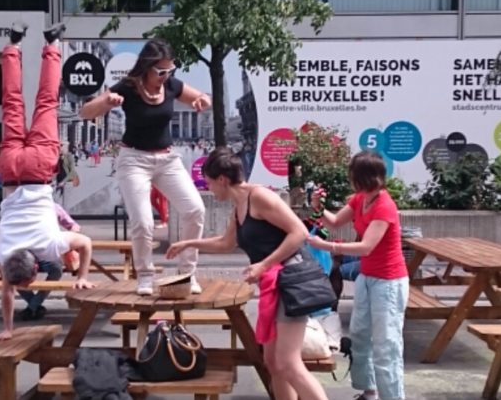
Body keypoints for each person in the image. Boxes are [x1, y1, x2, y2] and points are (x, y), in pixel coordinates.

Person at [166, 148, 329, 400]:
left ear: (222, 179)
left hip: (292, 280)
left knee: (288, 363)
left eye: (209, 183)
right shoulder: (238, 206)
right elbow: (226, 243)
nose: (209, 189)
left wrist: (263, 264)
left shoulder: (260, 197)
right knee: (272, 363)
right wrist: (188, 243)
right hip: (273, 284)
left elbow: (299, 232)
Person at [80, 39, 209, 295]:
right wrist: (106, 102)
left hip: (167, 160)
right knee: (143, 222)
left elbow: (203, 97)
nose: (165, 76)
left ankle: (187, 273)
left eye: (170, 70)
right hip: (134, 160)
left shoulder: (172, 85)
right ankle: (145, 276)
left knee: (195, 210)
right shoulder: (129, 86)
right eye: (160, 71)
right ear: (147, 67)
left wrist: (203, 100)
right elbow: (85, 112)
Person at [0, 21, 95, 342]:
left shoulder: (51, 246)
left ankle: (52, 44)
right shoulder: (5, 253)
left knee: (46, 101)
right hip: (11, 170)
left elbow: (86, 243)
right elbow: (7, 292)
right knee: (12, 102)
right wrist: (6, 329)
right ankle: (13, 44)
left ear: (36, 267)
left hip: (38, 171)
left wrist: (82, 276)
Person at [306, 151, 409, 400]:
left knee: (386, 344)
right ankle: (369, 390)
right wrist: (318, 207)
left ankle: (393, 397)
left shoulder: (385, 206)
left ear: (361, 177)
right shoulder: (360, 199)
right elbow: (334, 222)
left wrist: (327, 246)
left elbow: (366, 247)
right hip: (367, 277)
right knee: (360, 335)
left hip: (389, 282)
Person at [17, 203, 81, 321]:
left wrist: (67, 237)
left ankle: (32, 307)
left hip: (46, 254)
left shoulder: (53, 207)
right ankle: (34, 306)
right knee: (12, 272)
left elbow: (74, 226)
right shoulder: (20, 208)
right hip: (26, 254)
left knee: (56, 269)